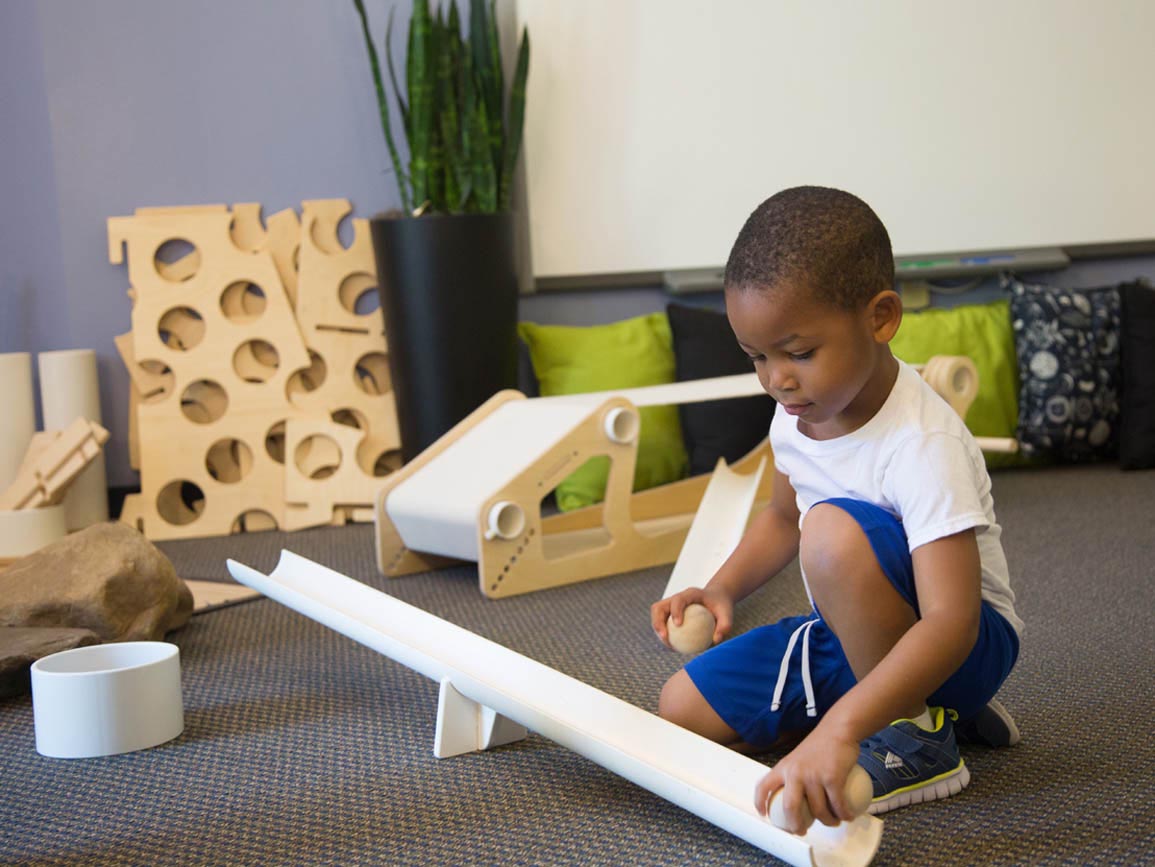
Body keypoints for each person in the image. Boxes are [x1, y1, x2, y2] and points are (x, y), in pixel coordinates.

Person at [650, 186, 1023, 834]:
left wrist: (842, 729)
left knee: (831, 531)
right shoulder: (794, 414)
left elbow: (952, 619)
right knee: (679, 707)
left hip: (962, 643)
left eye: (797, 352)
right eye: (757, 356)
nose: (776, 379)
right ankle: (919, 708)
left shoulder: (921, 444)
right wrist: (718, 589)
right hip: (851, 634)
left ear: (879, 318)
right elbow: (779, 519)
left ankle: (917, 735)